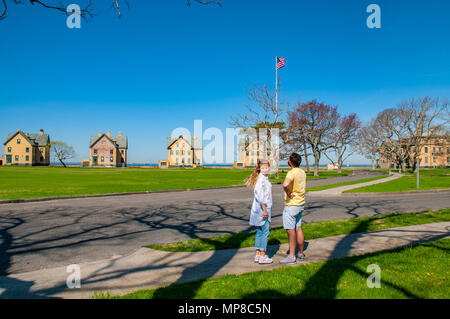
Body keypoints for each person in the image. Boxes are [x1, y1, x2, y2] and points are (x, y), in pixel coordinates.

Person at [280, 153, 307, 264]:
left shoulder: (292, 172)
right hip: (300, 204)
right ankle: (300, 253)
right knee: (298, 228)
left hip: (291, 205)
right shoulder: (302, 172)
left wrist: (288, 192)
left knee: (290, 231)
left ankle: (291, 256)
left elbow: (285, 184)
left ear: (290, 162)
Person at [245, 159, 273, 264]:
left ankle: (257, 254)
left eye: (267, 167)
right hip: (263, 209)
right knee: (265, 232)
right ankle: (262, 255)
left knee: (260, 231)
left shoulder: (264, 178)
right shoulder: (261, 180)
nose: (265, 169)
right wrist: (265, 210)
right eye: (263, 168)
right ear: (259, 168)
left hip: (260, 209)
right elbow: (261, 196)